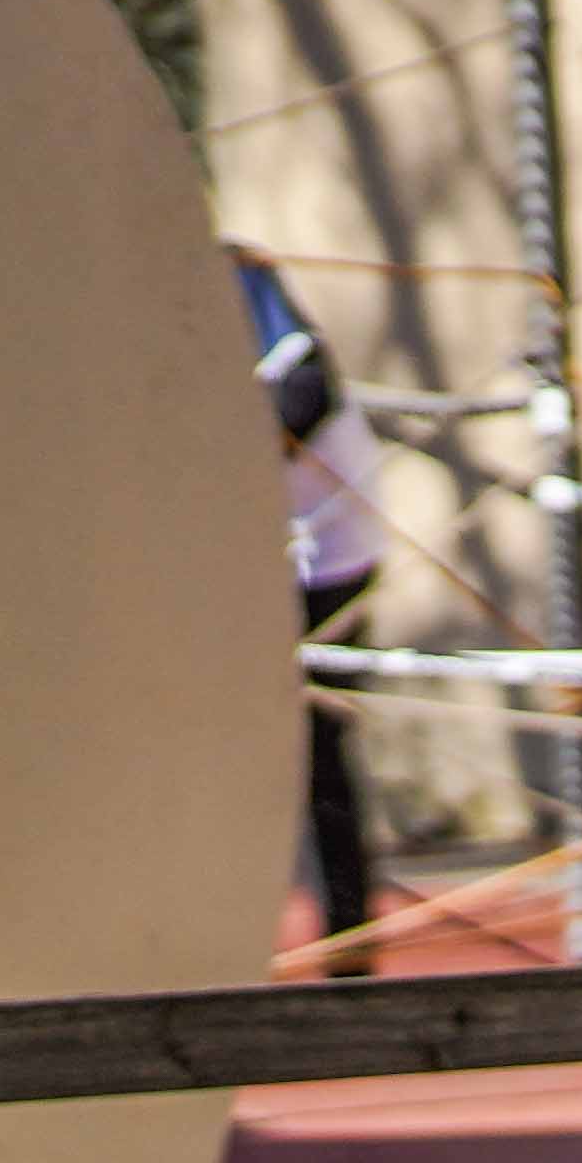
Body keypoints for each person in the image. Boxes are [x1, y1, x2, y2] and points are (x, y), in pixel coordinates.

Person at [237, 247, 392, 973]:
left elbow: (304, 389)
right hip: (257, 559)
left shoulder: (241, 281)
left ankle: (347, 940)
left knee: (318, 749)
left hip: (323, 555)